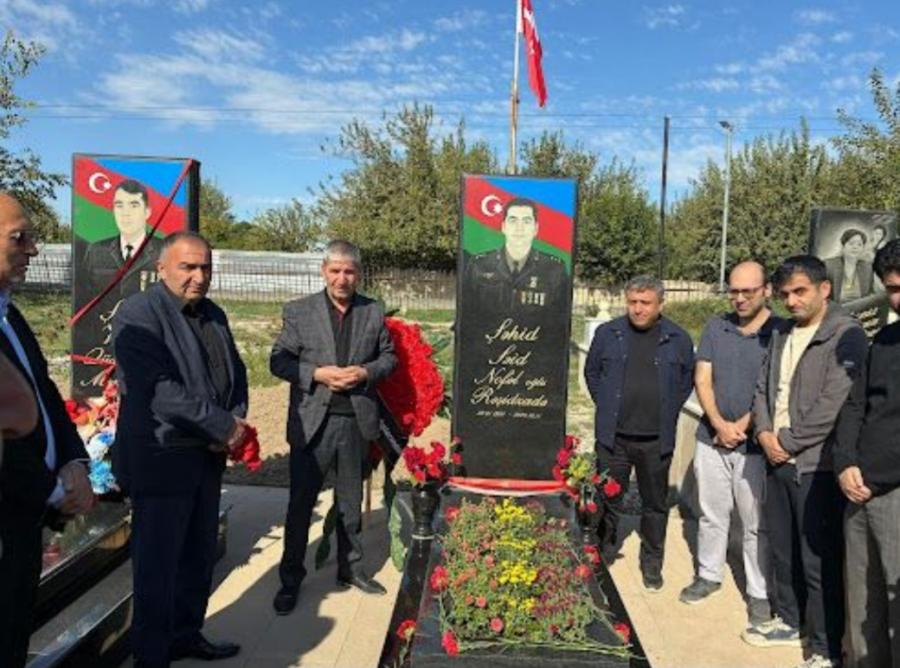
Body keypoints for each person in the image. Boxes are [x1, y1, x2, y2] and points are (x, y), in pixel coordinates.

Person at [112, 231, 248, 668]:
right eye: (188, 267)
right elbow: (159, 390)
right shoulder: (138, 313)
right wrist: (222, 425)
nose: (199, 276)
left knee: (197, 556)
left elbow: (236, 373)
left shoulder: (214, 313)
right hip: (162, 457)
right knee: (158, 566)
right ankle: (152, 656)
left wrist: (234, 420)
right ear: (161, 268)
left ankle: (186, 635)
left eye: (205, 267)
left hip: (206, 456)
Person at [743, 255, 868, 668]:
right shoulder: (782, 332)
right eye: (785, 295)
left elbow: (834, 402)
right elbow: (763, 387)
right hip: (776, 456)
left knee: (818, 561)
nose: (792, 301)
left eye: (800, 292)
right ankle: (790, 620)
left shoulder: (845, 334)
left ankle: (825, 647)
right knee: (784, 550)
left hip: (816, 465)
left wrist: (788, 441)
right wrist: (764, 433)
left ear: (824, 289)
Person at [271, 240, 397, 615]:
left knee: (351, 503)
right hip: (313, 423)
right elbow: (278, 361)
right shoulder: (299, 311)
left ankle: (351, 569)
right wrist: (317, 374)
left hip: (355, 421)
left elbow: (389, 358)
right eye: (335, 271)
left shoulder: (373, 310)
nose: (342, 279)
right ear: (323, 271)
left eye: (349, 272)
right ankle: (290, 579)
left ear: (359, 274)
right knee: (301, 505)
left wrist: (365, 372)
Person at [0, 192, 94, 668]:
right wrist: (55, 491)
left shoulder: (10, 314)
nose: (34, 249)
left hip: (23, 526)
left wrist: (74, 461)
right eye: (20, 237)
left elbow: (44, 394)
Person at [679, 261, 782, 632]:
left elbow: (773, 386)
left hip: (754, 446)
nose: (739, 298)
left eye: (747, 291)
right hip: (712, 439)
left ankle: (759, 593)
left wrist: (742, 426)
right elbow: (702, 378)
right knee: (712, 513)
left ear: (766, 290)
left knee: (755, 523)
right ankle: (708, 574)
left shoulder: (779, 332)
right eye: (734, 291)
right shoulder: (716, 327)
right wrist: (719, 423)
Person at [584, 275, 694, 591]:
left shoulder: (678, 338)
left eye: (645, 303)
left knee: (655, 505)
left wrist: (665, 411)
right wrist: (608, 406)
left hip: (655, 442)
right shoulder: (608, 334)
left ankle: (651, 563)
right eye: (632, 302)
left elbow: (686, 381)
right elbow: (592, 373)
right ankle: (603, 553)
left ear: (660, 304)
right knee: (607, 499)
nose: (638, 309)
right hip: (614, 439)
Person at [834, 239, 900, 668]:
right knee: (862, 604)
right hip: (858, 488)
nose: (899, 297)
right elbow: (856, 405)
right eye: (892, 288)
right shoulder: (886, 340)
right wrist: (844, 463)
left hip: (892, 492)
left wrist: (874, 476)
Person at [464, 197, 567, 314]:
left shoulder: (554, 269)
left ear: (535, 228)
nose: (519, 227)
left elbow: (559, 318)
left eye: (526, 221)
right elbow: (467, 313)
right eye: (513, 220)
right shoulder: (480, 265)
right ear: (503, 227)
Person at [82, 178, 164, 297]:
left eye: (134, 205)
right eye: (119, 205)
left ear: (147, 212)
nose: (125, 213)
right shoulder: (96, 251)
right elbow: (84, 297)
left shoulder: (164, 251)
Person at [823, 227, 874, 303]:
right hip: (835, 308)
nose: (855, 247)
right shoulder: (829, 265)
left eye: (859, 244)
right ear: (843, 246)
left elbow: (870, 295)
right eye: (851, 243)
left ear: (863, 248)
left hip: (860, 309)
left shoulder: (867, 268)